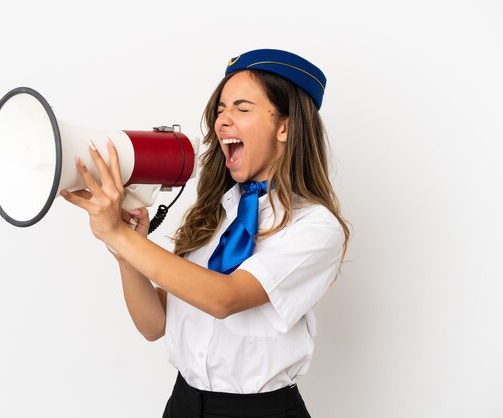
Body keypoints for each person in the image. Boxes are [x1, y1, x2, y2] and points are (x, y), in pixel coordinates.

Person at [60, 48, 350, 418]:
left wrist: (119, 235)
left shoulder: (316, 228)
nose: (222, 121)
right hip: (184, 404)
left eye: (242, 109)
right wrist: (126, 252)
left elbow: (223, 299)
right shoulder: (214, 212)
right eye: (220, 111)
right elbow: (154, 325)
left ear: (285, 126)